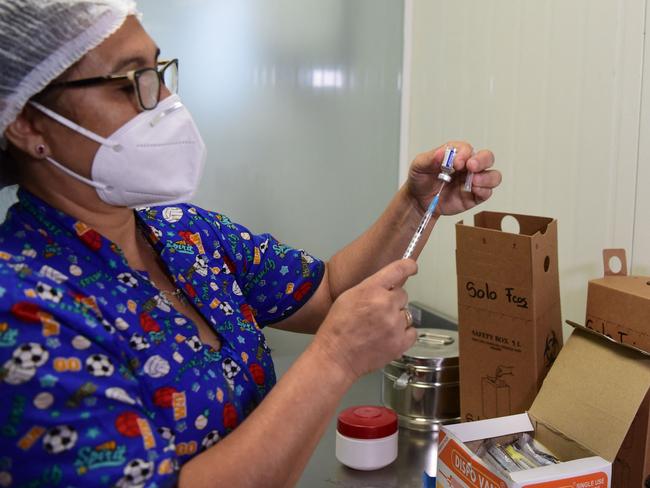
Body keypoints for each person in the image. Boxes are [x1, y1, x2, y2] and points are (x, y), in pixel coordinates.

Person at [0, 1, 501, 486]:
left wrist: (416, 205)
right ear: (27, 123)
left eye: (158, 71)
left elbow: (327, 293)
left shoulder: (181, 232)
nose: (165, 104)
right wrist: (335, 359)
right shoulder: (22, 310)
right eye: (128, 82)